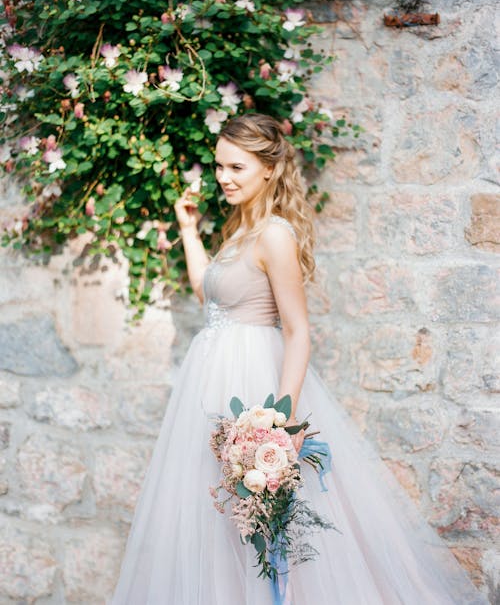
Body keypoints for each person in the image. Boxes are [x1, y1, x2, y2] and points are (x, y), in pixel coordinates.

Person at [110, 114, 487, 604]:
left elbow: (298, 329)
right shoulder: (238, 229)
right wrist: (187, 228)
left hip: (250, 382)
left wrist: (280, 422)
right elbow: (208, 289)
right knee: (218, 513)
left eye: (236, 167)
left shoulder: (274, 234)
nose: (223, 176)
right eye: (219, 166)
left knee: (261, 519)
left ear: (268, 169)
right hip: (211, 383)